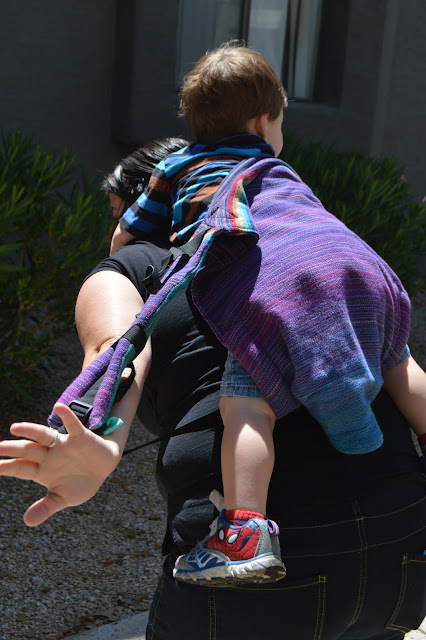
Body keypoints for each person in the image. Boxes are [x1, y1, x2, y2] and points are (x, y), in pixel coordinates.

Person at [1, 139, 426, 639]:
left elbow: (115, 359)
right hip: (400, 545)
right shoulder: (308, 247)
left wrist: (101, 445)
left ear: (146, 205)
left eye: (117, 213)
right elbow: (403, 372)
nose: (112, 231)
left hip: (252, 573)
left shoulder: (135, 268)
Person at [109, 42, 426, 588]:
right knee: (397, 362)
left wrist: (127, 258)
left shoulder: (176, 165)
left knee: (246, 407)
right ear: (265, 120)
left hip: (271, 285)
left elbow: (127, 236)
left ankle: (246, 531)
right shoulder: (276, 167)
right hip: (353, 265)